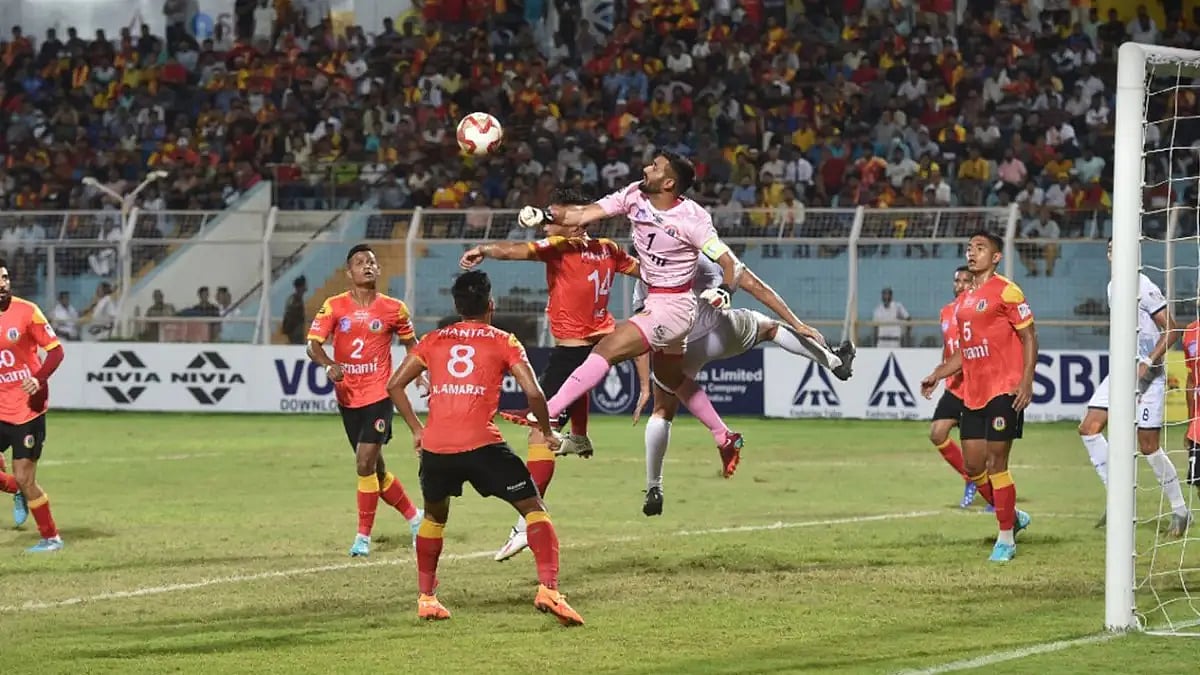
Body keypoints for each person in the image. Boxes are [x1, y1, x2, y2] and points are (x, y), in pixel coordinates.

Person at [516, 152, 747, 477]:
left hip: (675, 306)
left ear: (669, 182)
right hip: (661, 304)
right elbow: (584, 213)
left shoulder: (693, 218)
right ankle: (724, 436)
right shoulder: (633, 195)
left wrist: (725, 290)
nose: (645, 168)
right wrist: (544, 214)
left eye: (655, 167)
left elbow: (728, 263)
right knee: (670, 378)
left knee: (605, 350)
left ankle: (550, 412)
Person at [386, 270, 584, 625]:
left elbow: (394, 385)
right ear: (490, 304)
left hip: (436, 448)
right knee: (535, 509)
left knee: (433, 518)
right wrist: (545, 430)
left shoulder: (432, 340)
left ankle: (427, 598)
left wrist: (417, 429)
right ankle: (549, 590)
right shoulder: (504, 340)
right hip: (481, 445)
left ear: (457, 306)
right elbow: (535, 393)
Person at [458, 187, 641, 562]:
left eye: (555, 219)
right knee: (579, 386)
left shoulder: (563, 247)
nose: (548, 225)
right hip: (600, 345)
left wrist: (484, 249)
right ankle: (581, 436)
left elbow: (514, 251)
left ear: (577, 223)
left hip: (572, 351)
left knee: (540, 431)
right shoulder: (608, 248)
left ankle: (528, 520)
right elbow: (644, 270)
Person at [631, 254, 856, 515]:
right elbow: (755, 286)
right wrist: (797, 323)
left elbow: (643, 331)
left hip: (679, 346)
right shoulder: (704, 252)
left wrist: (646, 384)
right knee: (772, 328)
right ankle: (833, 360)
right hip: (720, 331)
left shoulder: (645, 272)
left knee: (662, 411)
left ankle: (654, 486)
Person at [920, 231, 1036, 562]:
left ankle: (1005, 539)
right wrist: (938, 374)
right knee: (973, 468)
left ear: (995, 257)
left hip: (1005, 390)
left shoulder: (1008, 291)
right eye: (970, 248)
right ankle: (1011, 516)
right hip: (973, 393)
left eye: (980, 248)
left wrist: (1026, 381)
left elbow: (1029, 337)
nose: (972, 252)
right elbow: (966, 352)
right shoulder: (965, 303)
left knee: (996, 462)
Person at [306, 244, 425, 557]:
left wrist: (420, 373)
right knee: (377, 471)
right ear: (350, 272)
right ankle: (416, 518)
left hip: (379, 394)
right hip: (348, 397)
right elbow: (312, 345)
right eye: (360, 263)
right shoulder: (334, 306)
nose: (367, 266)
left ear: (379, 270)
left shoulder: (394, 308)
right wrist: (329, 364)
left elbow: (414, 346)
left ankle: (362, 537)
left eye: (372, 262)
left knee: (363, 463)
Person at [1079, 240, 1188, 534]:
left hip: (1148, 374)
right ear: (1109, 255)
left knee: (1148, 446)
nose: (1117, 253)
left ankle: (1180, 510)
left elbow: (1173, 328)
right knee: (1089, 428)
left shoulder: (1143, 285)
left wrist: (1149, 361)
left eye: (1122, 247)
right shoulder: (1114, 286)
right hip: (1120, 371)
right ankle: (1118, 499)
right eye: (1112, 248)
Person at [0, 260, 67, 551]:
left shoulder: (26, 311)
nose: (2, 283)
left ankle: (51, 537)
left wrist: (38, 379)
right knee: (19, 480)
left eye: (4, 277)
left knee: (26, 477)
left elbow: (55, 352)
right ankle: (16, 489)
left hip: (27, 409)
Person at [929, 266, 981, 510]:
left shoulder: (978, 312)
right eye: (957, 280)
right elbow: (949, 349)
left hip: (976, 386)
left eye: (965, 281)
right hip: (954, 386)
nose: (960, 284)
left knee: (985, 448)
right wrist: (941, 374)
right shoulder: (946, 312)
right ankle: (970, 478)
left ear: (974, 284)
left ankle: (992, 493)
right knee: (938, 433)